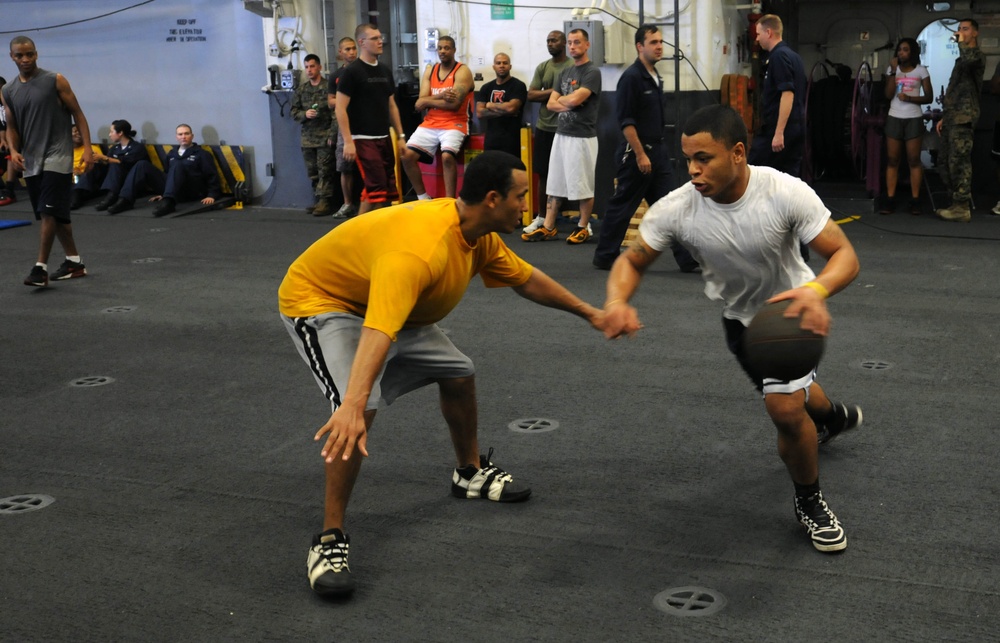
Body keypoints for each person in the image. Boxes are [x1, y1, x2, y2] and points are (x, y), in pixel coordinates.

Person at [278, 151, 605, 597]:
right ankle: (329, 538)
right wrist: (351, 404)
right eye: (520, 196)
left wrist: (590, 313)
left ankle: (468, 472)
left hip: (396, 304)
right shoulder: (419, 250)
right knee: (359, 410)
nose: (525, 206)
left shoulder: (477, 233)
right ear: (492, 199)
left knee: (458, 371)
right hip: (327, 302)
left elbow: (525, 279)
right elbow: (378, 328)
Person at [602, 105, 863, 553]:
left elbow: (845, 257)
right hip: (740, 325)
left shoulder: (783, 192)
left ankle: (809, 500)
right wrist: (616, 300)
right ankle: (832, 416)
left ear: (738, 153)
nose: (694, 170)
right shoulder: (678, 208)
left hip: (794, 314)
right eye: (687, 159)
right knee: (794, 394)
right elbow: (632, 260)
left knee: (783, 409)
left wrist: (816, 293)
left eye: (705, 158)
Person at [591, 25, 698, 273]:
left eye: (661, 42)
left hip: (658, 153)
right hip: (637, 153)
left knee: (672, 206)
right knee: (623, 206)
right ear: (640, 47)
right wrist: (640, 154)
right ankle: (605, 256)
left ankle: (687, 260)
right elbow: (626, 121)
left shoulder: (654, 76)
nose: (659, 46)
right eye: (653, 42)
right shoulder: (631, 78)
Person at [2, 35, 94, 287]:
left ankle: (39, 268)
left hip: (59, 155)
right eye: (19, 55)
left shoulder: (55, 80)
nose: (25, 59)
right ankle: (74, 262)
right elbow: (11, 126)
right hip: (32, 160)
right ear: (12, 57)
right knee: (55, 214)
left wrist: (87, 149)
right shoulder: (8, 90)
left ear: (36, 54)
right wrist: (14, 149)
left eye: (29, 54)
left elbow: (78, 114)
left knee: (48, 211)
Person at [521, 28, 600, 245]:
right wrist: (570, 100)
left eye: (577, 42)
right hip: (561, 135)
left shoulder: (592, 72)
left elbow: (572, 101)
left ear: (586, 45)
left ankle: (583, 226)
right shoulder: (565, 73)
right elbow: (550, 103)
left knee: (582, 184)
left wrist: (565, 101)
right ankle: (548, 226)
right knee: (554, 183)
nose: (573, 46)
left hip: (582, 137)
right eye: (571, 43)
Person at [335, 23, 407, 215]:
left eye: (380, 37)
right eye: (374, 38)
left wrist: (400, 136)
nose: (380, 41)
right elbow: (340, 108)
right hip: (362, 139)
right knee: (375, 186)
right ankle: (357, 236)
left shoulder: (384, 71)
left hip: (383, 137)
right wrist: (348, 142)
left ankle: (372, 231)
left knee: (382, 190)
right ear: (362, 42)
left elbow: (392, 105)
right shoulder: (352, 72)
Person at [401, 36, 474, 200]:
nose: (443, 51)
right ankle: (423, 197)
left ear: (454, 50)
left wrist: (428, 101)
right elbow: (419, 103)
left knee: (447, 156)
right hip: (431, 123)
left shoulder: (462, 71)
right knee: (406, 156)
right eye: (440, 48)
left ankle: (449, 201)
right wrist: (441, 95)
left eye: (447, 48)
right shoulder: (431, 70)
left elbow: (454, 104)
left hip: (455, 123)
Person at [107, 123, 221, 217]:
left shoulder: (202, 154)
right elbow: (167, 174)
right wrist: (164, 193)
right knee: (141, 164)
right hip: (173, 189)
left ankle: (169, 203)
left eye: (186, 134)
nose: (183, 137)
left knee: (178, 165)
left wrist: (212, 195)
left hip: (190, 190)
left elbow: (211, 175)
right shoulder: (171, 154)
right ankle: (125, 200)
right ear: (176, 137)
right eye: (180, 134)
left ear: (192, 136)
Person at [935, 18, 985, 223]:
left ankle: (962, 206)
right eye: (959, 29)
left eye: (965, 29)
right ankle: (954, 202)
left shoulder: (977, 56)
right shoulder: (961, 60)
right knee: (944, 161)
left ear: (975, 33)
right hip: (953, 117)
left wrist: (962, 42)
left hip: (964, 117)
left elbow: (969, 59)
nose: (960, 32)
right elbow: (954, 91)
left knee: (959, 162)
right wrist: (944, 117)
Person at [523, 31, 572, 234]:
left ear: (564, 43)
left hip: (568, 128)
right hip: (544, 127)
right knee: (543, 174)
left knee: (572, 174)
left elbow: (577, 96)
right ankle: (542, 217)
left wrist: (551, 95)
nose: (550, 44)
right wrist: (555, 92)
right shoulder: (543, 67)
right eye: (548, 41)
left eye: (554, 40)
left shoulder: (572, 67)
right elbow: (532, 94)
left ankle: (580, 221)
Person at [749, 14, 807, 178]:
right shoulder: (794, 56)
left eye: (759, 34)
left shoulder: (778, 57)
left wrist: (779, 132)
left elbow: (787, 94)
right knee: (788, 178)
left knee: (754, 172)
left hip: (780, 130)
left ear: (769, 32)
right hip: (795, 127)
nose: (757, 39)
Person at [879, 39, 932, 216]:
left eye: (905, 50)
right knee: (893, 160)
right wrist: (893, 72)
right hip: (895, 116)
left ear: (912, 52)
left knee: (913, 160)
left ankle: (915, 200)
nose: (901, 53)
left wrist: (910, 99)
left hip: (913, 117)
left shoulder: (921, 70)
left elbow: (929, 97)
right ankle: (890, 199)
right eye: (899, 50)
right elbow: (887, 94)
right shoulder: (892, 70)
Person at [292, 53, 334, 216]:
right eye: (307, 67)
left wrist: (332, 134)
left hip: (324, 136)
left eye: (312, 66)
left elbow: (335, 113)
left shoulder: (328, 87)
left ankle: (325, 202)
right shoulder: (302, 89)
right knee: (313, 172)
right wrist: (304, 114)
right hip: (308, 139)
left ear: (319, 67)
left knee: (325, 170)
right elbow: (294, 111)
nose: (309, 70)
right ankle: (318, 201)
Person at [75, 119, 148, 211]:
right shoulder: (115, 148)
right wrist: (98, 159)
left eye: (111, 132)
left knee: (115, 165)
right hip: (114, 178)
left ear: (120, 133)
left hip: (129, 181)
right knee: (96, 166)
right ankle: (77, 193)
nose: (109, 135)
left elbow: (123, 162)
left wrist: (104, 158)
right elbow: (107, 163)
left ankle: (111, 196)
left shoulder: (137, 147)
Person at [327, 36, 359, 220]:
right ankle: (347, 204)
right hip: (344, 128)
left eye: (353, 48)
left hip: (365, 126)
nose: (351, 52)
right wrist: (346, 100)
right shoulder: (336, 76)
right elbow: (331, 102)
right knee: (345, 167)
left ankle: (372, 204)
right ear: (340, 52)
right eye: (347, 49)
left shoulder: (363, 71)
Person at [475, 53, 527, 159]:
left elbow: (512, 108)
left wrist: (490, 105)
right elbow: (480, 113)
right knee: (491, 173)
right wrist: (505, 111)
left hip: (512, 141)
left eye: (505, 63)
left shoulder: (518, 85)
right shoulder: (486, 87)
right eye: (498, 63)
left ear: (510, 66)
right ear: (494, 66)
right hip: (491, 140)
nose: (502, 65)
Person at [69, 124, 106, 208]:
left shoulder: (92, 148)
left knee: (94, 166)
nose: (78, 133)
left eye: (80, 132)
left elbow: (99, 167)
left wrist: (81, 173)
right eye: (75, 131)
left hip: (88, 181)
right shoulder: (65, 150)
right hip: (70, 180)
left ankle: (75, 197)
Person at [0, 74, 15, 207]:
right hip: (8, 137)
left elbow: (13, 125)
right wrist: (3, 140)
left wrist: (8, 141)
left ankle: (10, 192)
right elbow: (2, 126)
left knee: (11, 150)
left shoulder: (12, 103)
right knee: (4, 148)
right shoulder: (0, 107)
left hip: (20, 137)